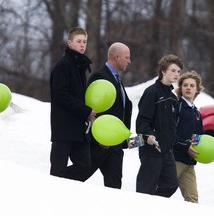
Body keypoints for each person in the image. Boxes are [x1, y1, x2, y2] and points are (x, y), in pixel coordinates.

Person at [82, 42, 133, 189]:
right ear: (117, 57)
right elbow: (93, 108)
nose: (129, 61)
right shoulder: (100, 76)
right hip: (101, 143)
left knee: (114, 186)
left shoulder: (117, 79)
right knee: (79, 175)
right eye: (127, 57)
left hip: (115, 145)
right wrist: (101, 136)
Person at [49, 27, 97, 181]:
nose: (82, 45)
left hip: (78, 128)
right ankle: (56, 187)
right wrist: (86, 111)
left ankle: (62, 185)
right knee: (57, 169)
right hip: (63, 128)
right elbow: (61, 95)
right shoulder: (63, 65)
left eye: (85, 42)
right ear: (69, 43)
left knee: (84, 166)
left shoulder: (80, 67)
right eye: (79, 41)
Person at [136, 54, 184, 197]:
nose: (176, 74)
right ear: (163, 71)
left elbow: (173, 124)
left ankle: (153, 206)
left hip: (167, 151)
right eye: (173, 70)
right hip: (152, 150)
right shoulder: (152, 92)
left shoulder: (173, 97)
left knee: (171, 185)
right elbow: (142, 121)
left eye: (178, 71)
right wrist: (148, 136)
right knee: (145, 189)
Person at [174, 70, 204, 203]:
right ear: (180, 88)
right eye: (185, 85)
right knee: (163, 191)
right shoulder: (177, 106)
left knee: (193, 199)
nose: (188, 88)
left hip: (189, 163)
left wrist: (195, 146)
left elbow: (197, 135)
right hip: (174, 159)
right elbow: (170, 132)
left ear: (197, 89)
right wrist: (185, 146)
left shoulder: (197, 112)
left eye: (192, 85)